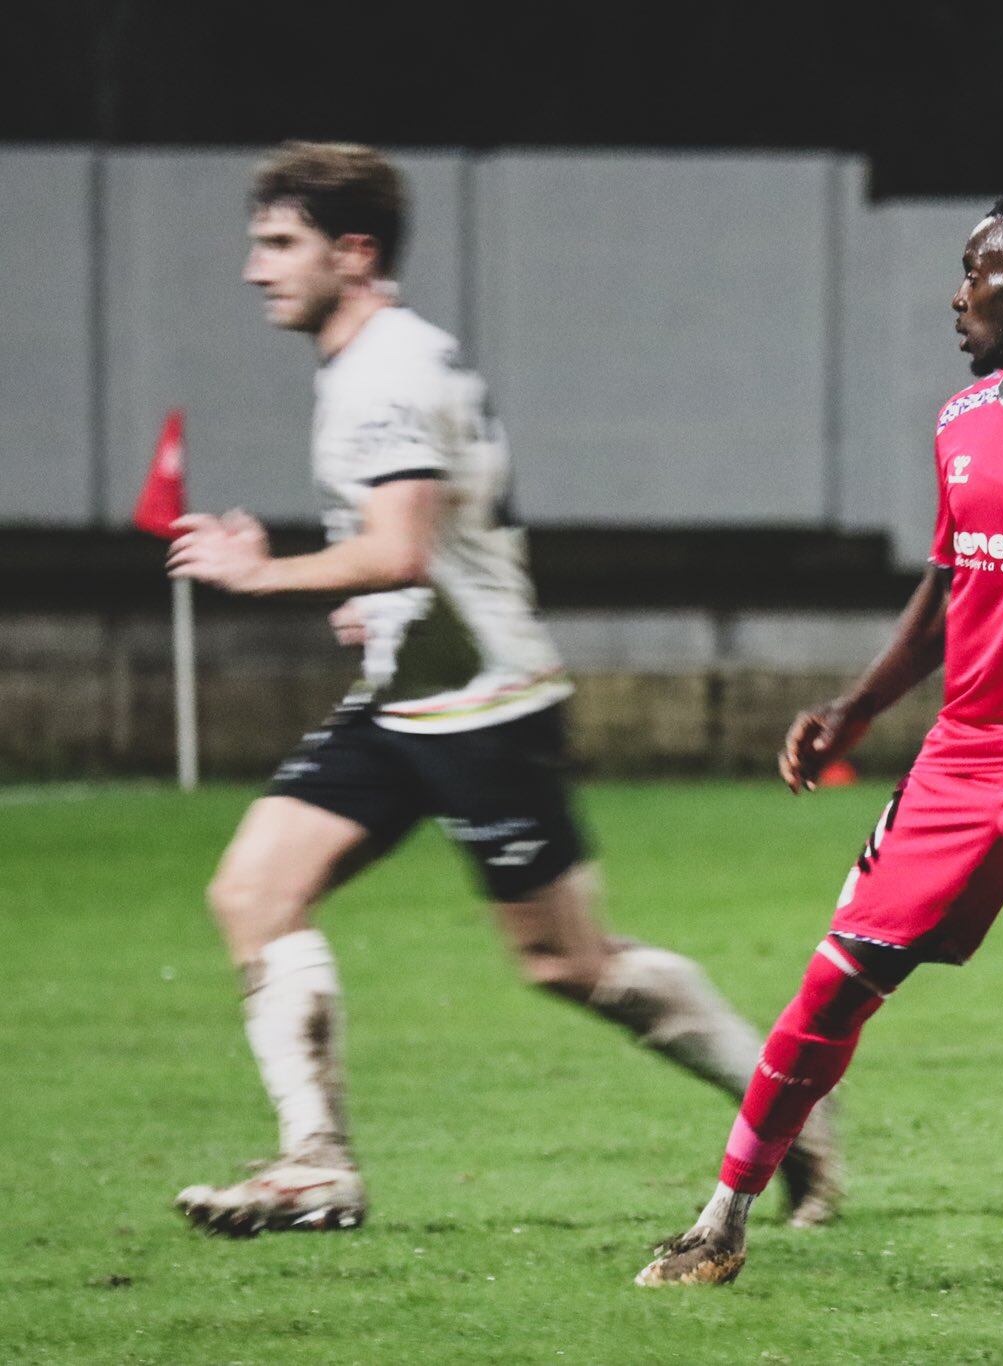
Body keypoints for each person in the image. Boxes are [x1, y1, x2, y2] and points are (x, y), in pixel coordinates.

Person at [166, 142, 837, 1237]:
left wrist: (266, 570)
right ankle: (315, 1163)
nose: (254, 268)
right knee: (253, 892)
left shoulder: (381, 375)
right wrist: (368, 603)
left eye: (279, 243)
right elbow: (428, 546)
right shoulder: (384, 355)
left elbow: (400, 546)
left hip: (484, 708)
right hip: (411, 694)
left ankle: (787, 1110)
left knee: (567, 960)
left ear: (355, 250)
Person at [633, 182, 1003, 1306]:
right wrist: (856, 709)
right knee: (831, 985)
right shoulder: (961, 426)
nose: (956, 294)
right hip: (962, 754)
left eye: (977, 270)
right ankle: (719, 1222)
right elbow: (944, 592)